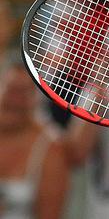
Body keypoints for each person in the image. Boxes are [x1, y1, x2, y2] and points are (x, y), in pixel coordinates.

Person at [0, 61, 70, 219]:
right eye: (11, 89)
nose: (15, 100)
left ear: (37, 100)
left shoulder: (51, 149)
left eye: (24, 93)